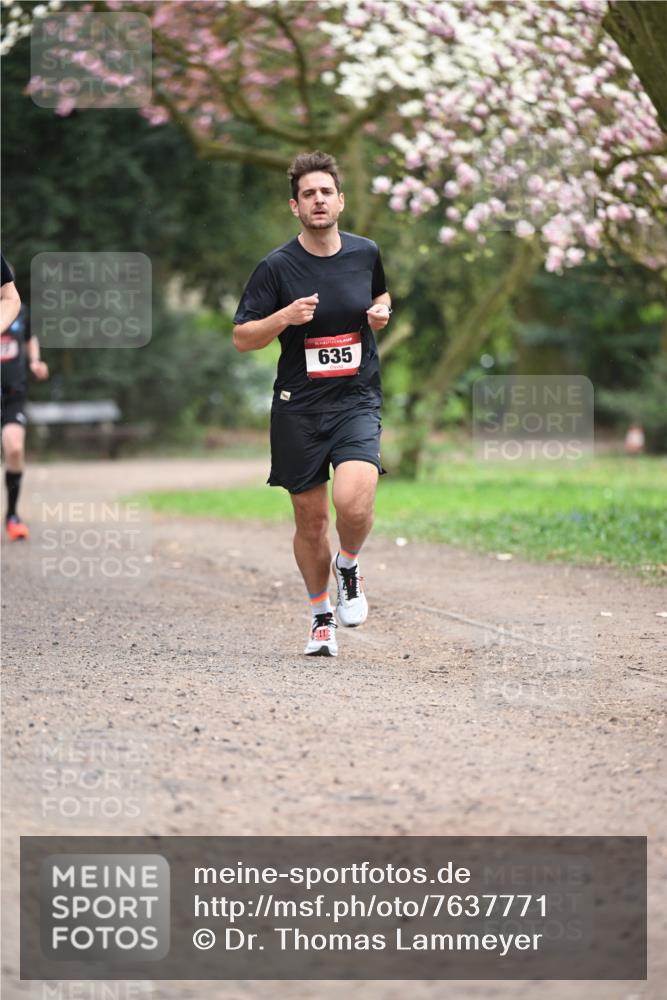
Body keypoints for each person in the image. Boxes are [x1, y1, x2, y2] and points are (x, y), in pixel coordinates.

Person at [233, 151, 391, 657]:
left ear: (340, 201)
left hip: (355, 399)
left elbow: (381, 295)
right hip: (298, 406)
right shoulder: (276, 268)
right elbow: (242, 337)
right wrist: (285, 316)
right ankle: (321, 614)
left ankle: (349, 563)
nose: (318, 200)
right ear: (294, 207)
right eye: (308, 195)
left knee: (353, 500)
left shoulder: (365, 253)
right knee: (310, 521)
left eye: (326, 192)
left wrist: (383, 310)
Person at [1, 253, 49, 540]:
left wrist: (35, 361)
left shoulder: (20, 312)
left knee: (15, 449)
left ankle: (12, 515)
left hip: (13, 391)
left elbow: (30, 338)